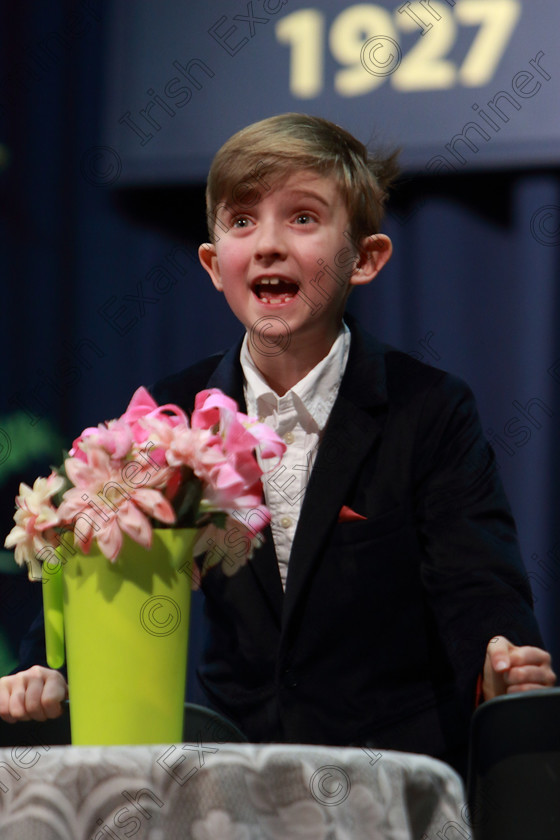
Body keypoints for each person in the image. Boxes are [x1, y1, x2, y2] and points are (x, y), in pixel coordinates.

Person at [0, 114, 554, 777]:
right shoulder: (175, 413)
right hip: (232, 773)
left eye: (302, 218)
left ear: (367, 258)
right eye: (240, 222)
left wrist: (502, 665)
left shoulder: (428, 407)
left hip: (388, 775)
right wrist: (45, 664)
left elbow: (478, 585)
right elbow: (98, 551)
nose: (266, 245)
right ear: (213, 265)